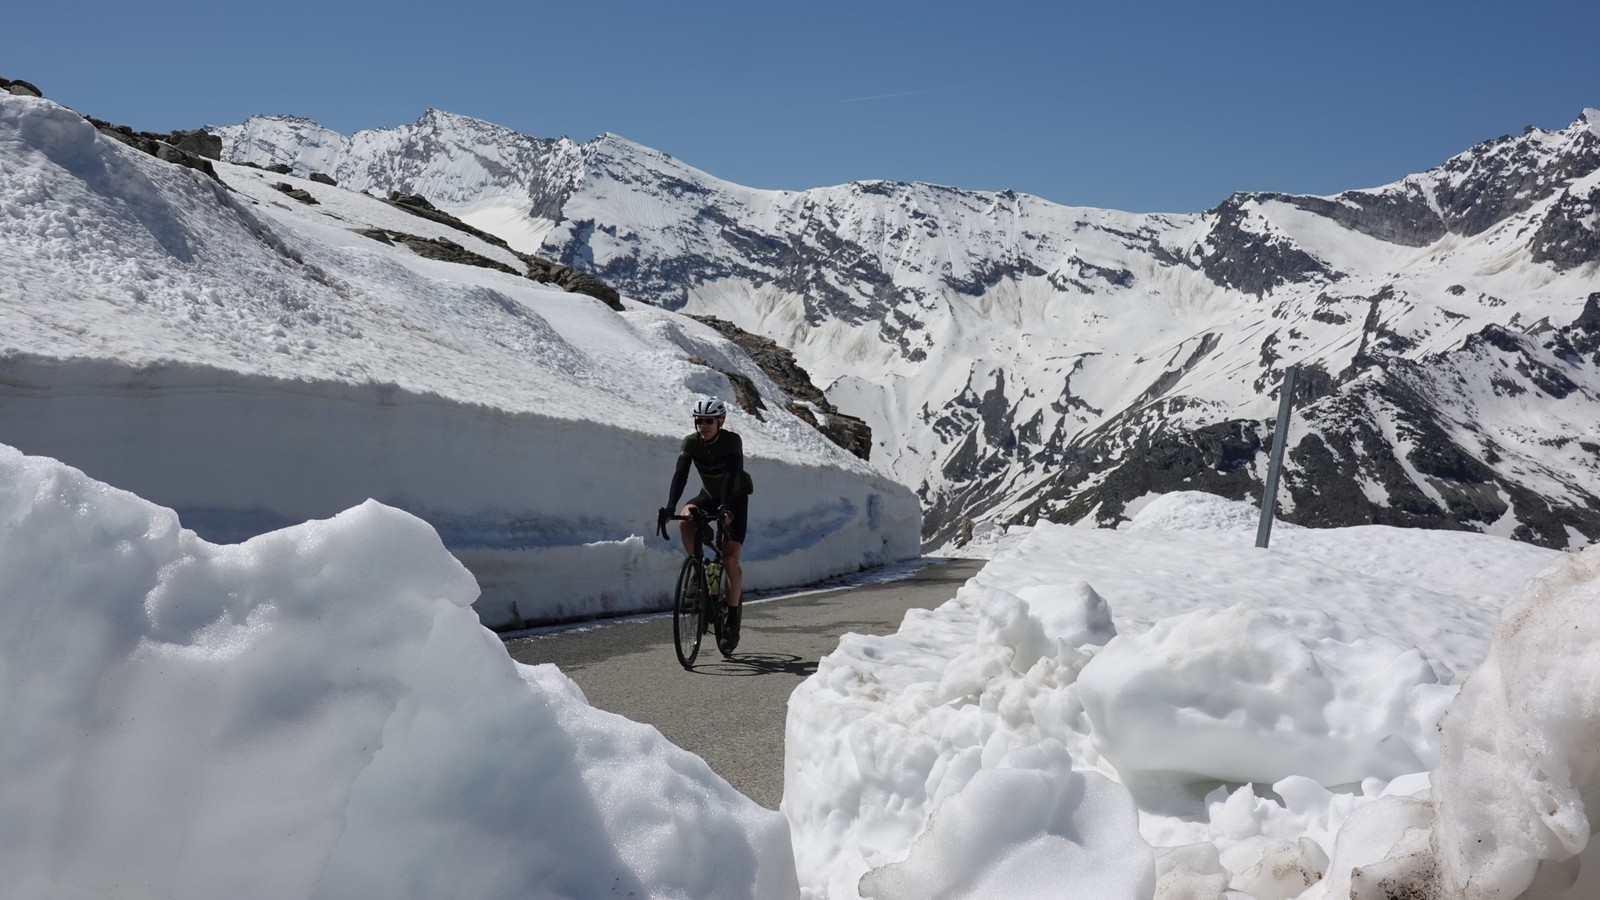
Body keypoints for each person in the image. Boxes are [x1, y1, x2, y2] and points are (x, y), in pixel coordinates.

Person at [658, 396, 750, 652]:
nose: (703, 425)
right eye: (699, 420)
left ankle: (732, 620)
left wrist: (725, 509)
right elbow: (681, 474)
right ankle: (698, 569)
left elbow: (732, 474)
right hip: (709, 496)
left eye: (708, 421)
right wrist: (669, 506)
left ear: (720, 421)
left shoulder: (732, 441)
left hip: (734, 499)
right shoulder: (691, 442)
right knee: (685, 517)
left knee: (730, 559)